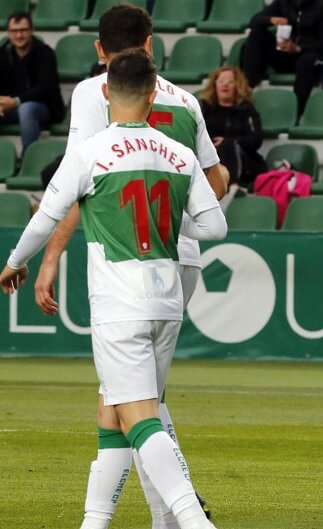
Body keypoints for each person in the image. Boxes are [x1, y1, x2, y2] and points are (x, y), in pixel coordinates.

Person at [0, 48, 226, 529]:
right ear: (152, 96)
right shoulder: (180, 154)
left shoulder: (90, 152)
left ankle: (192, 520)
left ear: (106, 92)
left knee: (138, 415)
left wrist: (17, 260)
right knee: (114, 409)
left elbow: (47, 218)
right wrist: (170, 223)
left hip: (120, 300)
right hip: (167, 298)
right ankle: (94, 522)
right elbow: (215, 228)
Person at [242, 0, 323, 115]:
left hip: (314, 55)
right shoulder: (283, 2)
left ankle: (295, 112)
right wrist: (271, 20)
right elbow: (254, 20)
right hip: (287, 55)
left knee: (306, 62)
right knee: (256, 34)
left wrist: (298, 48)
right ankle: (246, 89)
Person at [0, 11, 65, 150]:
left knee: (26, 109)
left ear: (32, 31)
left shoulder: (45, 53)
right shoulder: (3, 54)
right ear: (9, 33)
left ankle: (27, 159)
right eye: (14, 31)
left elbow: (46, 87)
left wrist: (16, 101)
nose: (19, 35)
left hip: (43, 107)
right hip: (10, 107)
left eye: (23, 30)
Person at [199, 65, 267, 189]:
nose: (225, 85)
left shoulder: (247, 110)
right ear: (215, 85)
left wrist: (229, 141)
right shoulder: (205, 109)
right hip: (212, 158)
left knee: (228, 145)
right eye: (221, 81)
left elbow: (256, 139)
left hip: (244, 161)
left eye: (230, 82)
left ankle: (232, 187)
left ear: (237, 86)